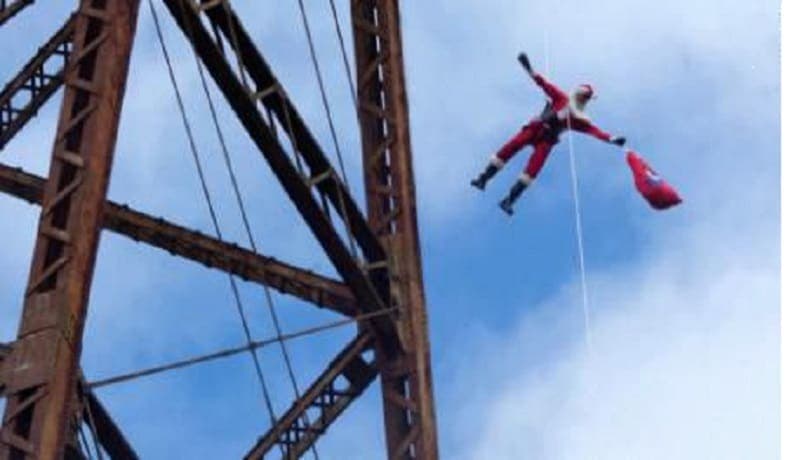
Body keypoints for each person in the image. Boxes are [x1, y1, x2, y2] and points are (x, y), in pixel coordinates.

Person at [471, 53, 627, 215]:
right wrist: (529, 68)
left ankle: (509, 200)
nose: (584, 101)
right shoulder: (561, 97)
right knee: (511, 147)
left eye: (586, 100)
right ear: (578, 95)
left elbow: (594, 131)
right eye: (583, 98)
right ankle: (483, 178)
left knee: (532, 170)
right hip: (535, 128)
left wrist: (612, 139)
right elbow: (543, 83)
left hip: (547, 141)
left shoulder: (578, 119)